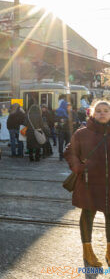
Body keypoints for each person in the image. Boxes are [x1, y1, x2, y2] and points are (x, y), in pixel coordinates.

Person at [64, 100, 110, 267]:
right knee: (88, 216)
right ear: (92, 113)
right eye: (99, 110)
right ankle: (87, 251)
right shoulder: (82, 133)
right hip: (88, 183)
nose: (102, 113)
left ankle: (109, 250)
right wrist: (78, 167)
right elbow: (70, 152)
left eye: (106, 110)